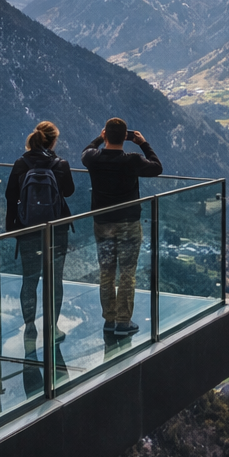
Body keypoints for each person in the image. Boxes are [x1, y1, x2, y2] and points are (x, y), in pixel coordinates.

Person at [82, 117, 162, 337]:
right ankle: (123, 322)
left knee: (106, 271)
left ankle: (109, 319)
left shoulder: (94, 158)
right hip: (128, 223)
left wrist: (100, 138)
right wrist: (143, 144)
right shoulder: (132, 160)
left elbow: (86, 150)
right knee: (127, 272)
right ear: (125, 138)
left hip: (102, 222)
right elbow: (157, 167)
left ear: (106, 135)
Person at [6, 121, 75, 344]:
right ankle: (52, 328)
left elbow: (10, 196)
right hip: (57, 229)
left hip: (28, 228)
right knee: (55, 280)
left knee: (29, 279)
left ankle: (29, 329)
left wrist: (13, 227)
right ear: (54, 141)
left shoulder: (21, 163)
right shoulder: (60, 164)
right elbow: (69, 192)